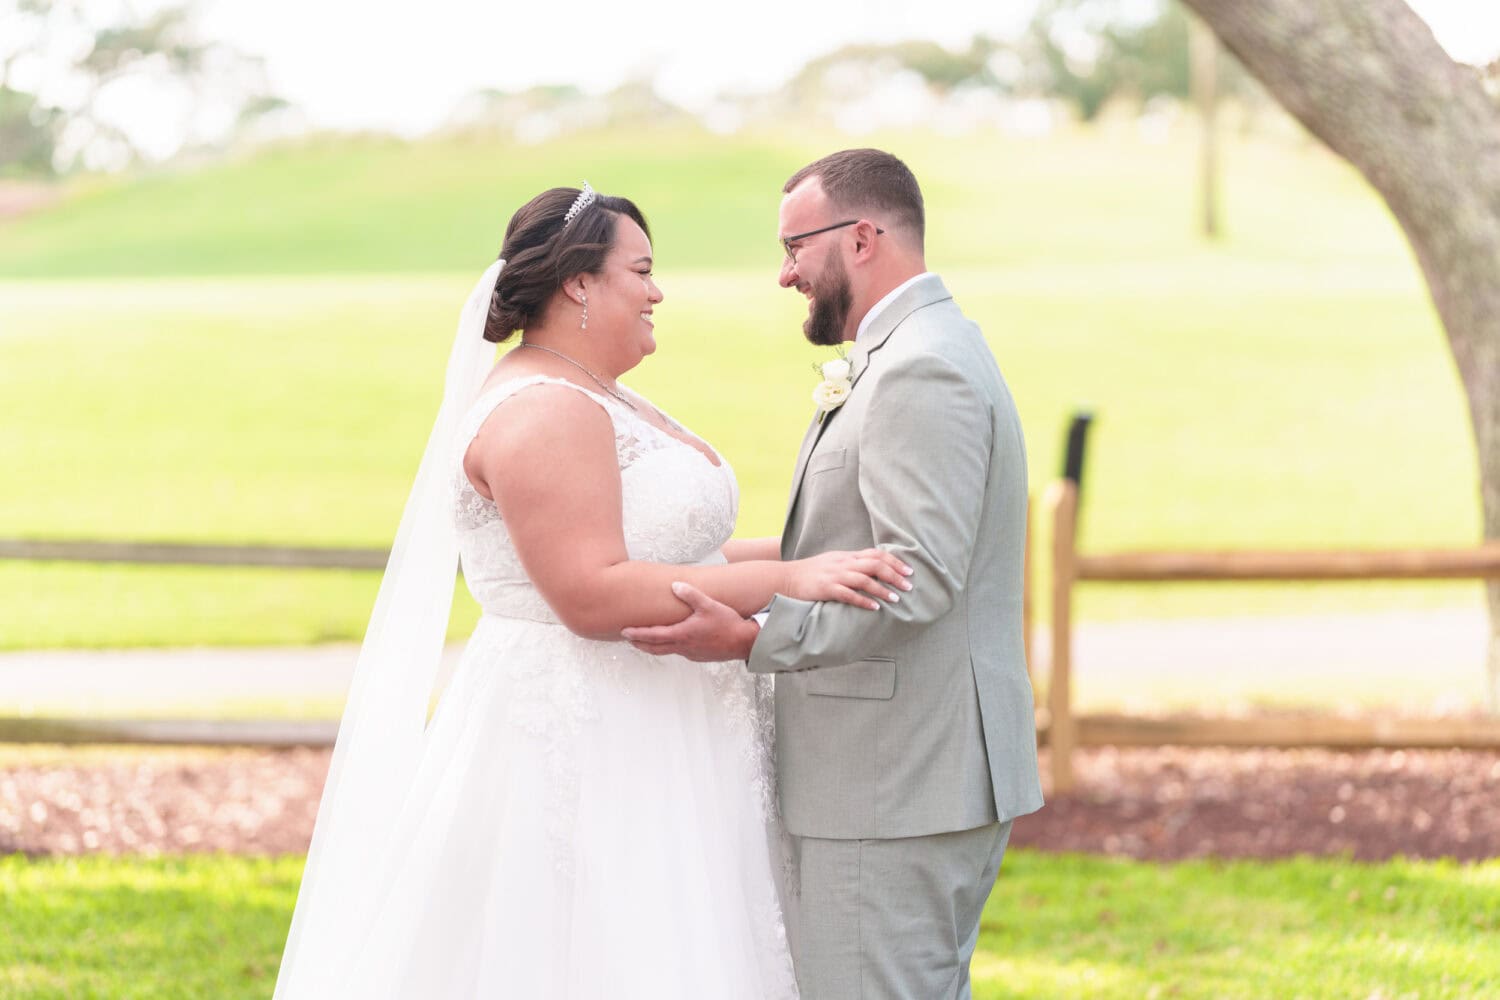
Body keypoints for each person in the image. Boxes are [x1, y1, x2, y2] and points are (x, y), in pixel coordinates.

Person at [273, 184, 913, 999]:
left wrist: (822, 549)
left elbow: (686, 553)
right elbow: (594, 592)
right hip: (596, 735)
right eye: (639, 270)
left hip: (667, 730)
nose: (656, 291)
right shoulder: (544, 408)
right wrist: (790, 579)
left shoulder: (595, 391)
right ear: (579, 281)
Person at [624, 149, 1045, 999]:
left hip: (894, 779)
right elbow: (852, 549)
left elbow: (916, 576)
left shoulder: (919, 367)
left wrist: (749, 640)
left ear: (861, 237)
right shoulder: (919, 348)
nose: (784, 275)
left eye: (794, 248)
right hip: (908, 775)